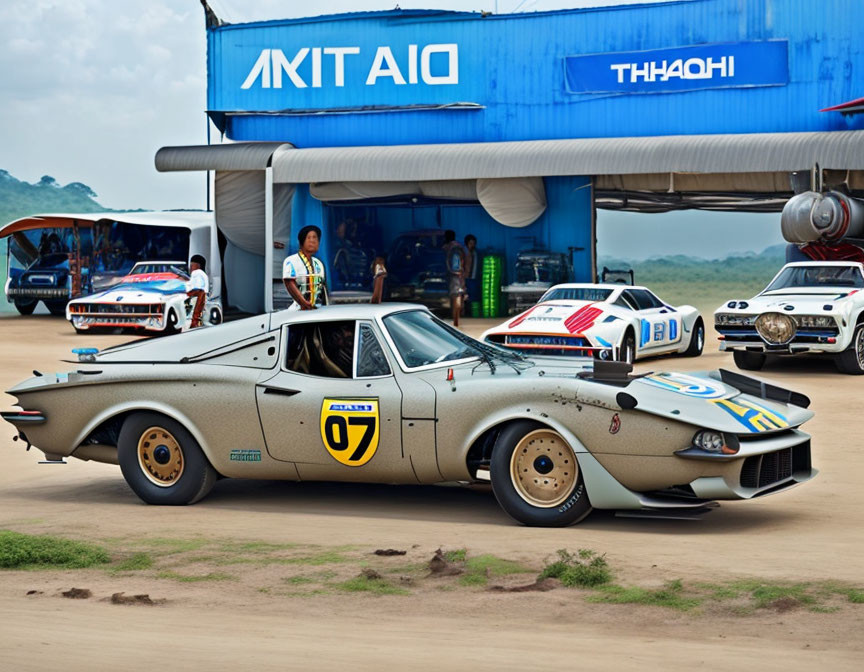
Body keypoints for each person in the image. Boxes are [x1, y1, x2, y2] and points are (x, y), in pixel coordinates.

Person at [283, 225, 326, 310]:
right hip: (298, 310)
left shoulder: (318, 263)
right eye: (309, 238)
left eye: (315, 238)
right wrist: (303, 303)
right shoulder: (291, 260)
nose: (312, 241)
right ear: (301, 242)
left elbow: (322, 288)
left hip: (317, 309)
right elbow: (289, 283)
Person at [442, 229, 466, 327]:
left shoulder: (452, 248)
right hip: (458, 275)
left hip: (454, 275)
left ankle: (456, 319)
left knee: (455, 296)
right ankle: (456, 318)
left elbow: (455, 262)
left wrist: (455, 271)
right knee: (457, 296)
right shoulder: (457, 247)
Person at [186, 254, 209, 328]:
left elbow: (197, 290)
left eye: (192, 265)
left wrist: (185, 294)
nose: (190, 268)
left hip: (197, 299)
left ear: (198, 266)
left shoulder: (197, 273)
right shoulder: (203, 274)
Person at [463, 234, 479, 315]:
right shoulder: (463, 252)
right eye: (471, 243)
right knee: (466, 295)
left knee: (473, 295)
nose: (472, 245)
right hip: (466, 277)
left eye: (474, 243)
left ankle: (471, 313)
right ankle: (467, 313)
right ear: (467, 243)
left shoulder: (475, 252)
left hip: (474, 277)